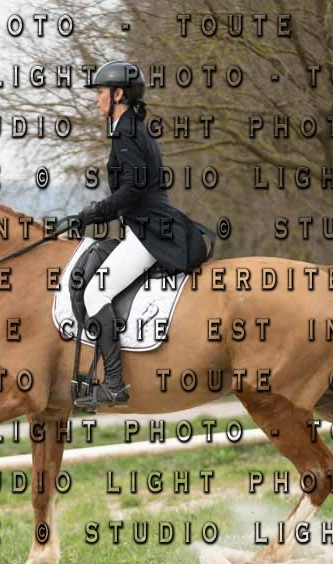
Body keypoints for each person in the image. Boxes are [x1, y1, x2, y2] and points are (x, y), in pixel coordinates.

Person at [70, 60, 214, 411]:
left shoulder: (127, 133)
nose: (96, 99)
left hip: (149, 233)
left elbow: (132, 190)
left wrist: (93, 213)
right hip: (147, 225)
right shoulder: (133, 128)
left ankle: (114, 385)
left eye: (100, 92)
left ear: (118, 94)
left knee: (96, 291)